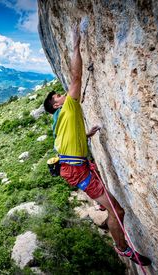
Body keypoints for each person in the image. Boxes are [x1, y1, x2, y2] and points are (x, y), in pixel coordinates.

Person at [43, 24, 151, 266]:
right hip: (78, 171)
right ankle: (122, 249)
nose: (62, 94)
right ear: (57, 105)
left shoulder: (60, 119)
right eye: (56, 96)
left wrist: (86, 135)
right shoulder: (68, 107)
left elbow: (67, 140)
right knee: (118, 211)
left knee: (111, 206)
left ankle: (100, 205)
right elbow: (76, 76)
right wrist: (76, 44)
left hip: (73, 166)